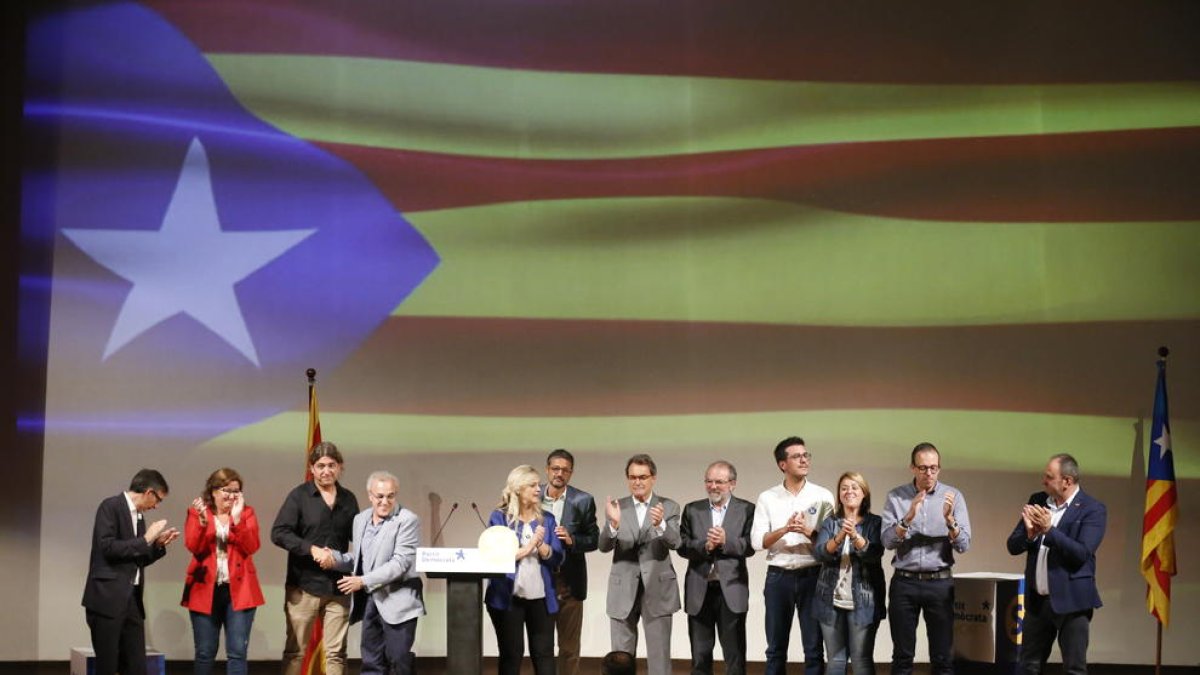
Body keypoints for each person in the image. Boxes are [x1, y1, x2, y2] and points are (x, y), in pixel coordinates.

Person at [1006, 453, 1106, 675]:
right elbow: (1012, 546)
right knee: (1028, 666)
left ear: (1067, 481)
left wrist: (1050, 531)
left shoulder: (1092, 509)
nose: (1043, 481)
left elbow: (1081, 553)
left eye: (1049, 477)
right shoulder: (1038, 500)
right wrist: (1030, 535)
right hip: (1037, 602)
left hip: (1072, 602)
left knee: (1074, 668)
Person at [881, 442, 971, 675]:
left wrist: (951, 523)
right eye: (923, 468)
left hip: (940, 584)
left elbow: (963, 545)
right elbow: (888, 542)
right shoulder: (897, 496)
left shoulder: (953, 496)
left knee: (943, 658)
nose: (929, 473)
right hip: (905, 582)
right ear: (912, 468)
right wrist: (907, 518)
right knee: (902, 657)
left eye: (934, 468)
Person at [271, 442, 359, 675]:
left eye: (331, 465)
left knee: (337, 654)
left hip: (338, 587)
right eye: (320, 466)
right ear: (311, 468)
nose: (326, 471)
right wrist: (312, 549)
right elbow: (279, 533)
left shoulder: (349, 499)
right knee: (295, 652)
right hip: (304, 587)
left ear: (340, 467)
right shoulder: (299, 496)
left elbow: (360, 541)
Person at [82, 468, 180, 675]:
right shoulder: (110, 506)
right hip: (107, 599)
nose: (156, 506)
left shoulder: (139, 518)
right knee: (107, 666)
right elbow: (107, 548)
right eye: (158, 500)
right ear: (148, 493)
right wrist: (146, 539)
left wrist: (158, 545)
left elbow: (136, 559)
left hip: (132, 600)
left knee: (136, 666)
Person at [750, 437, 835, 675]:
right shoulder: (768, 497)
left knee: (814, 648)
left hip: (814, 575)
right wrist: (785, 529)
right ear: (782, 464)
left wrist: (808, 532)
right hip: (779, 577)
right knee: (776, 648)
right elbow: (757, 542)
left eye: (806, 455)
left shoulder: (823, 496)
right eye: (797, 456)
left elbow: (832, 544)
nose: (804, 460)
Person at [333, 471, 425, 675]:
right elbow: (360, 558)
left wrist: (362, 581)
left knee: (398, 661)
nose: (385, 502)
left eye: (390, 496)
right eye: (380, 496)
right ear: (370, 495)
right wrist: (333, 559)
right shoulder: (360, 519)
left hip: (398, 601)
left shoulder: (407, 520)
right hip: (370, 601)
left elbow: (400, 563)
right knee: (371, 662)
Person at [599, 454, 682, 675]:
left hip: (658, 587)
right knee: (620, 658)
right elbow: (603, 546)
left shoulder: (669, 506)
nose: (637, 482)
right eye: (632, 477)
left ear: (653, 478)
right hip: (622, 588)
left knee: (659, 655)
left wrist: (661, 524)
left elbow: (676, 542)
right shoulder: (618, 506)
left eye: (642, 477)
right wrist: (613, 525)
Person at [181, 468, 265, 675]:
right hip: (204, 590)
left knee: (237, 652)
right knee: (204, 652)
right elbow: (194, 547)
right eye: (227, 490)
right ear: (213, 491)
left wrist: (237, 521)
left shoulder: (246, 513)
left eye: (236, 491)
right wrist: (201, 523)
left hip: (240, 591)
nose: (232, 496)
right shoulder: (197, 512)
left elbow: (252, 546)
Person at [485, 465, 566, 675]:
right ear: (518, 489)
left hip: (540, 598)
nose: (539, 489)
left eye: (538, 485)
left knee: (544, 654)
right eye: (532, 485)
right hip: (508, 597)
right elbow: (495, 557)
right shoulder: (499, 518)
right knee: (512, 655)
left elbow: (557, 556)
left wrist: (541, 546)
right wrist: (528, 548)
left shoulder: (547, 519)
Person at [678, 460, 756, 675]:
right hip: (699, 590)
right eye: (709, 481)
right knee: (700, 657)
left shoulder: (747, 509)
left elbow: (751, 545)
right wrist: (705, 545)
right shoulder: (693, 509)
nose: (713, 486)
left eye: (719, 482)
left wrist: (725, 541)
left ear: (732, 484)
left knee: (735, 657)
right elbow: (682, 546)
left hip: (731, 590)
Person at [812, 472, 886, 675]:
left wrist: (854, 536)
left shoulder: (874, 523)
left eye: (854, 487)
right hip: (830, 600)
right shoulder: (831, 522)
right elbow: (820, 553)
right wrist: (839, 536)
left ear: (864, 494)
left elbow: (874, 553)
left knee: (861, 659)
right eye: (844, 488)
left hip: (864, 602)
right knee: (835, 659)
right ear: (839, 494)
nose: (849, 491)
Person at [540, 449, 599, 675]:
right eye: (555, 468)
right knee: (542, 646)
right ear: (547, 470)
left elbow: (594, 539)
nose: (559, 474)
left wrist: (573, 540)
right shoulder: (533, 499)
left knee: (569, 647)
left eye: (565, 470)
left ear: (571, 473)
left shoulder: (582, 500)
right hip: (540, 581)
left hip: (569, 582)